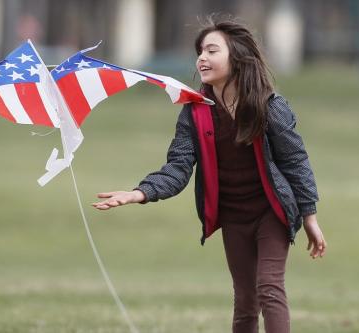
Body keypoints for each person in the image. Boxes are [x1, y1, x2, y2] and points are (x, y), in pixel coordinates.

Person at [92, 15, 326, 333]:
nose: (202, 57)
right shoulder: (195, 112)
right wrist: (139, 192)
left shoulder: (269, 107)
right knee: (245, 301)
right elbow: (177, 167)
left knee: (269, 289)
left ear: (238, 58)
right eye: (200, 51)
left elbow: (296, 162)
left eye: (212, 50)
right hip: (233, 216)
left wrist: (310, 217)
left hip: (271, 212)